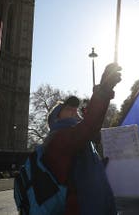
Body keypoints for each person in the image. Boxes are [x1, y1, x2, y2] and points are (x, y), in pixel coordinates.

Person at [42, 62, 122, 214]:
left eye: (75, 108)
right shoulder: (57, 138)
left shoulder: (81, 139)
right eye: (67, 109)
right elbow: (89, 127)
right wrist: (103, 90)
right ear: (55, 120)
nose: (73, 110)